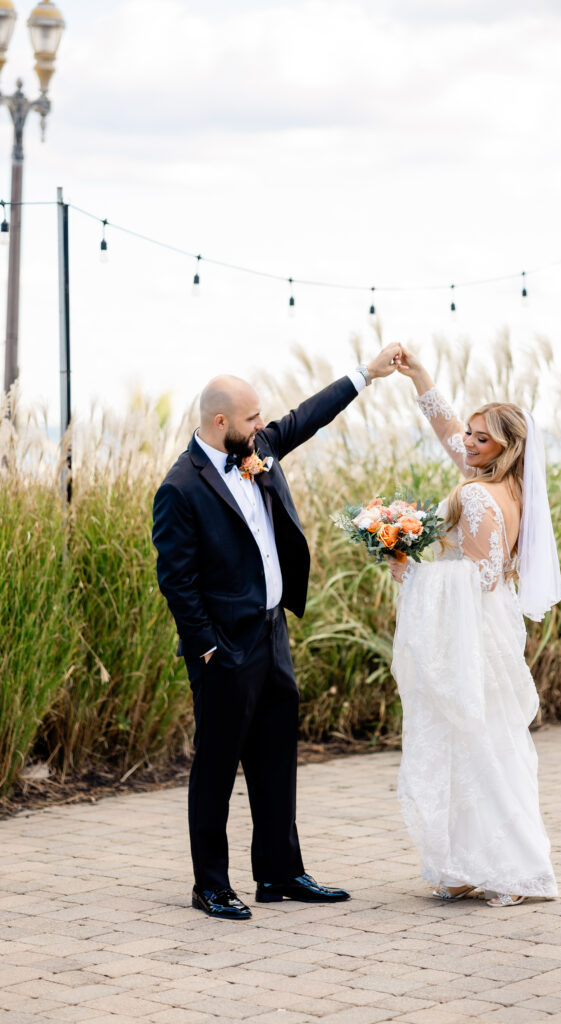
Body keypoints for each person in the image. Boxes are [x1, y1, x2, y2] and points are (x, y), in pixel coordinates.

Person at [152, 344, 400, 920]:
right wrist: (209, 648)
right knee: (215, 769)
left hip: (271, 633)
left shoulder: (258, 449)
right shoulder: (181, 488)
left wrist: (367, 374)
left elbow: (306, 418)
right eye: (251, 418)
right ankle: (210, 885)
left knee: (275, 761)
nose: (263, 425)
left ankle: (280, 874)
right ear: (221, 424)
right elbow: (177, 582)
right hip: (224, 650)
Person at [388, 346, 561, 907]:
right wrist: (420, 379)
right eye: (470, 432)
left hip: (473, 630)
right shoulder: (511, 487)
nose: (467, 441)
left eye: (480, 437)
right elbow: (447, 431)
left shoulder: (475, 494)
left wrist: (410, 571)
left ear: (507, 448)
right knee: (486, 740)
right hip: (494, 627)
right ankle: (469, 862)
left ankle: (507, 866)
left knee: (479, 741)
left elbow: (479, 576)